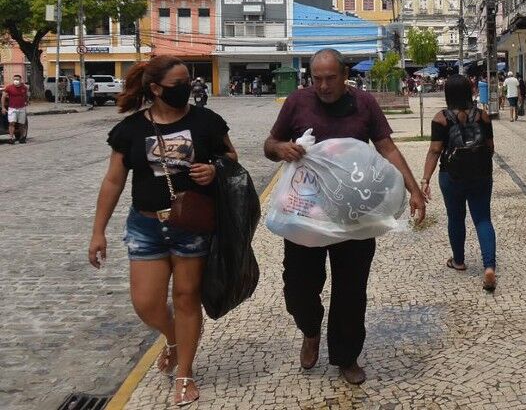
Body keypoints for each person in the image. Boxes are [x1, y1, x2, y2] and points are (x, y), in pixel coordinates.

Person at [264, 48, 426, 385]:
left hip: (354, 213)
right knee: (298, 288)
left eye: (330, 78)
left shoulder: (364, 103)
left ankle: (346, 356)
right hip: (306, 214)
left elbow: (387, 148)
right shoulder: (298, 101)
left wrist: (413, 190)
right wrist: (281, 149)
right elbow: (270, 143)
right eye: (317, 78)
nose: (322, 85)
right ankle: (310, 329)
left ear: (344, 75)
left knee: (351, 291)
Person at [88, 56, 237, 406]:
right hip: (146, 225)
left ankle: (184, 373)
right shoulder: (130, 130)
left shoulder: (207, 121)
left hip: (193, 225)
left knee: (187, 298)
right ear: (155, 89)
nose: (187, 88)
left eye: (189, 81)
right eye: (178, 84)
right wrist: (98, 231)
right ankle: (172, 339)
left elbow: (231, 157)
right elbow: (113, 181)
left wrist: (215, 169)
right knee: (146, 303)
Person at [421, 75, 498, 292]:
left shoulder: (441, 119)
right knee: (483, 218)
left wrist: (425, 180)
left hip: (451, 175)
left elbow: (435, 150)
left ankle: (459, 261)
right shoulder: (483, 116)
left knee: (456, 217)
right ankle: (489, 267)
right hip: (481, 174)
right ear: (470, 91)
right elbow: (491, 147)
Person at [2, 74, 29, 143]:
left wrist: (26, 102)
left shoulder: (24, 88)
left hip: (21, 108)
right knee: (11, 123)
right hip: (12, 108)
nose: (16, 80)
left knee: (21, 124)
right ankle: (11, 138)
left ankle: (22, 138)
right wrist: (3, 107)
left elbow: (26, 96)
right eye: (14, 79)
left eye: (17, 79)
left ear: (20, 80)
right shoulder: (9, 87)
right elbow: (3, 97)